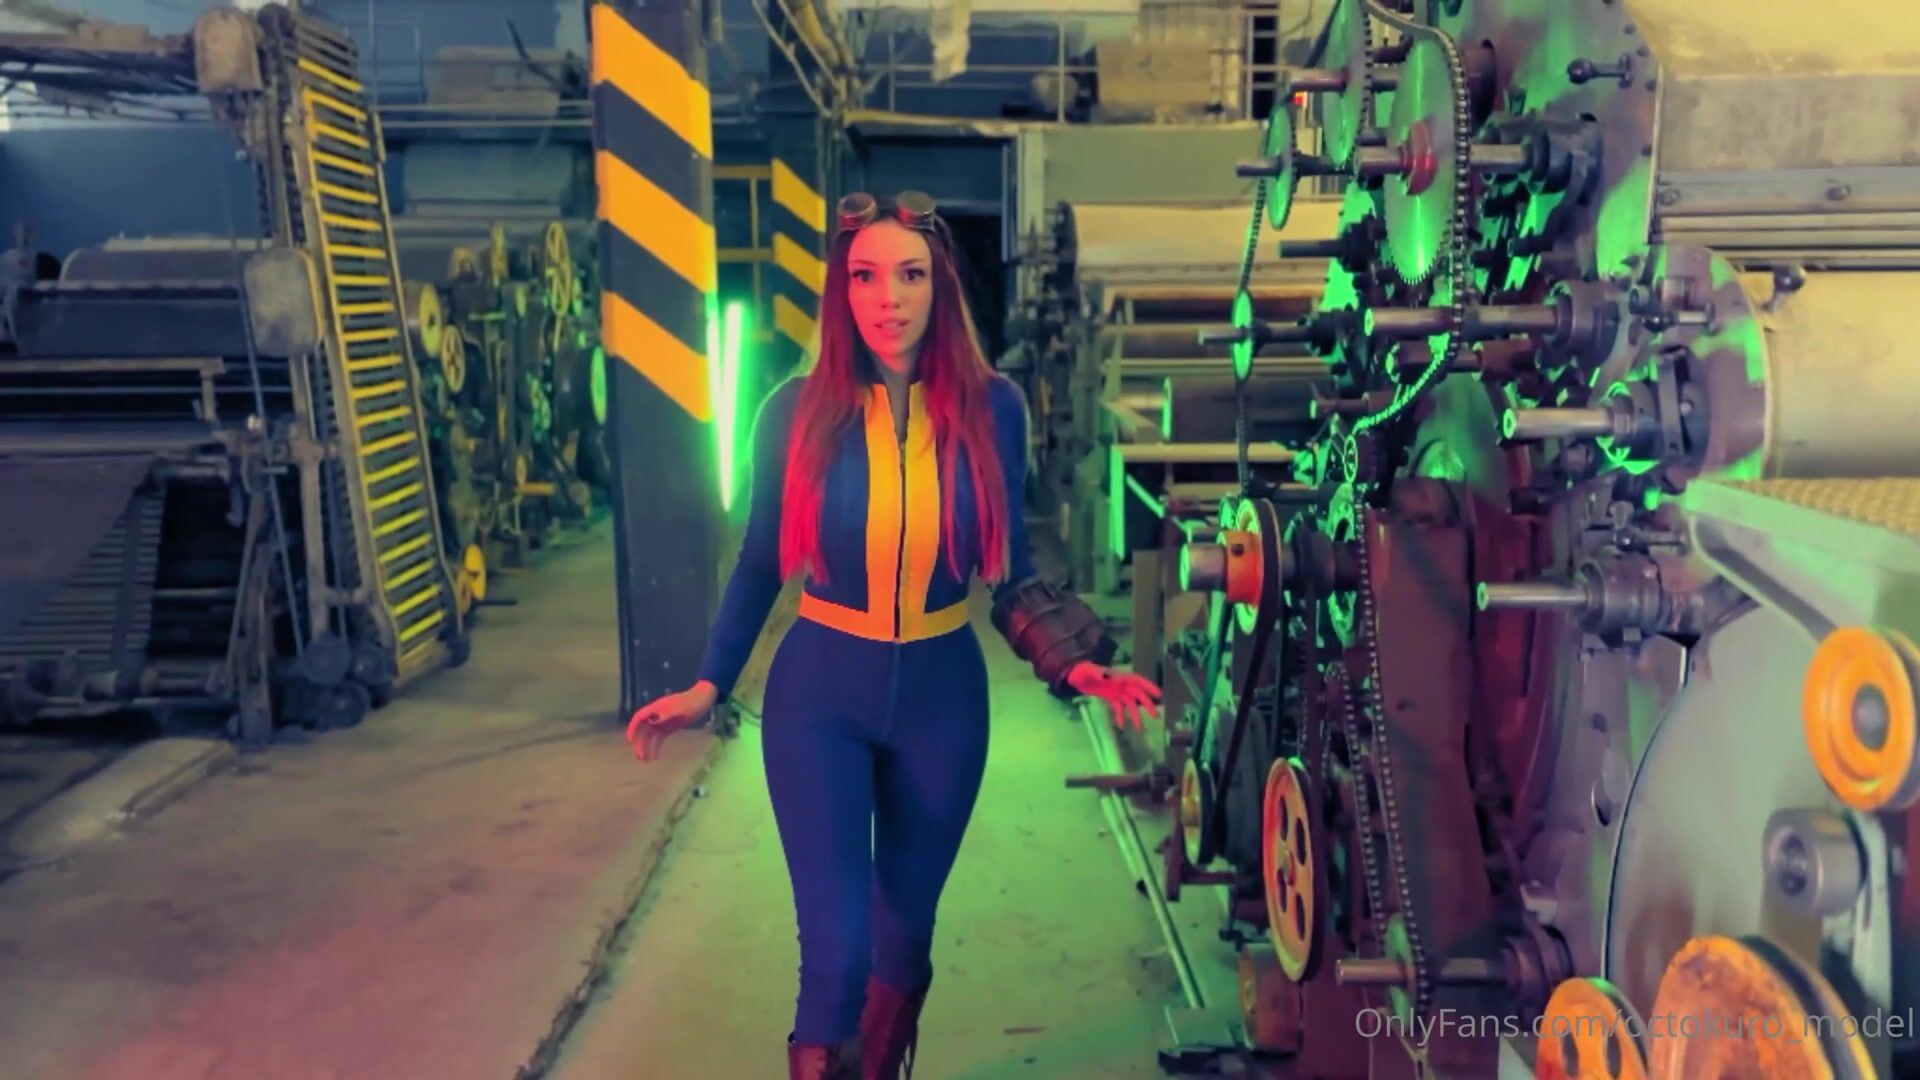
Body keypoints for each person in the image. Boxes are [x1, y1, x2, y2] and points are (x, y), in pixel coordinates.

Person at [624, 190, 1162, 1080]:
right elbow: (760, 563)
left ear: (939, 286)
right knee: (836, 956)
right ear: (841, 292)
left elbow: (1010, 566)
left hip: (944, 702)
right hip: (819, 697)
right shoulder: (792, 411)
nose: (888, 298)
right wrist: (707, 686)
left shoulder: (995, 408)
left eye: (910, 275)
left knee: (903, 945)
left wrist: (1078, 666)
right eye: (865, 277)